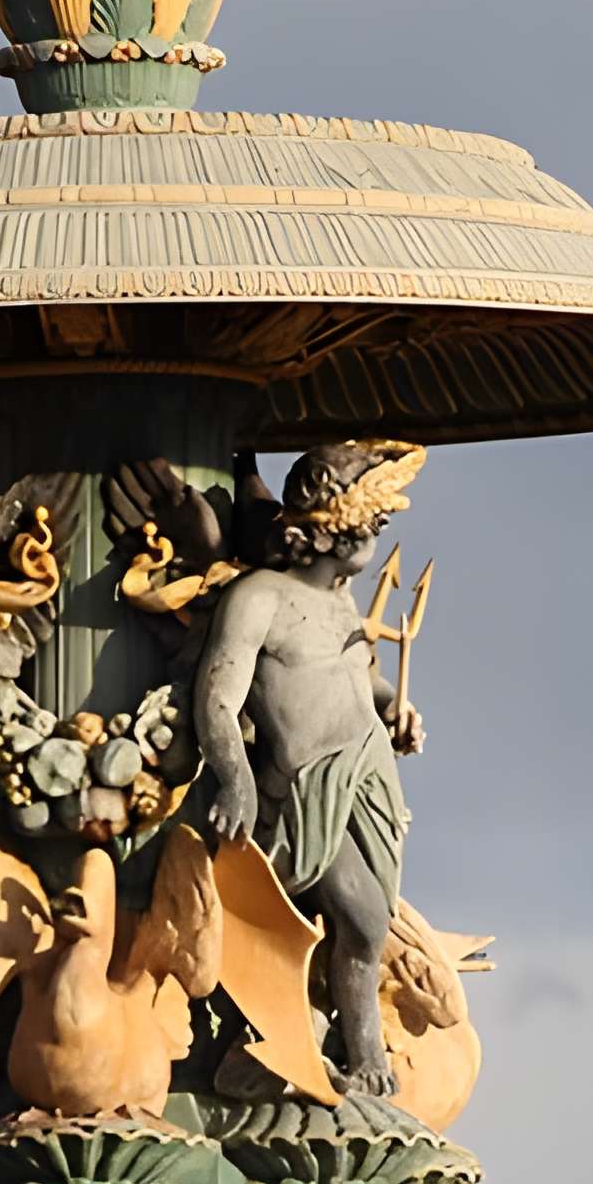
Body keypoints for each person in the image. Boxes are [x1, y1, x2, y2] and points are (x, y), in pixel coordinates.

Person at [191, 441, 429, 1097]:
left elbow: (359, 679)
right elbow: (218, 698)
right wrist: (236, 777)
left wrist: (398, 712)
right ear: (318, 533)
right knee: (362, 917)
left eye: (375, 530)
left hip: (369, 776)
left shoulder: (342, 601)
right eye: (363, 529)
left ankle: (326, 1035)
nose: (372, 543)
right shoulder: (259, 598)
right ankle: (364, 1052)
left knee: (371, 914)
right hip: (304, 788)